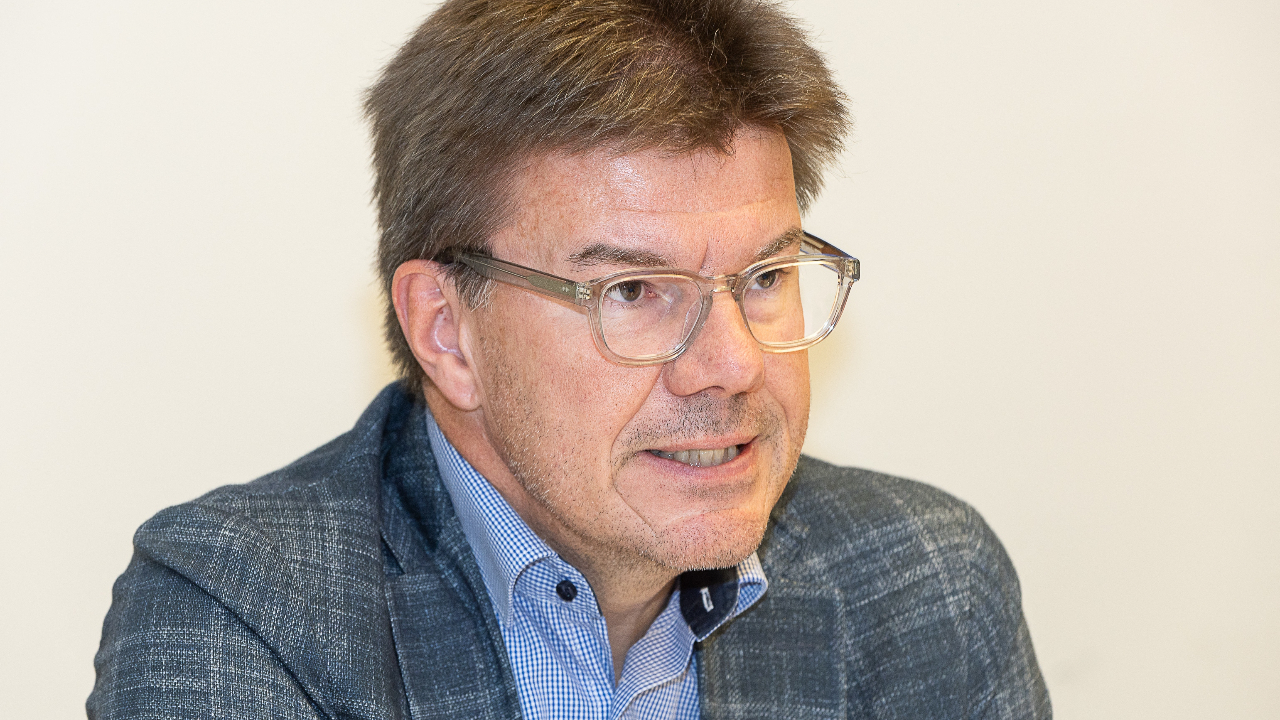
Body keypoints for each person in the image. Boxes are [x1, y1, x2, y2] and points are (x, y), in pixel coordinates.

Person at [89, 0, 1050, 717]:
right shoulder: (243, 614)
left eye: (764, 276)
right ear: (447, 331)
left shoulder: (925, 582)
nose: (731, 365)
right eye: (633, 291)